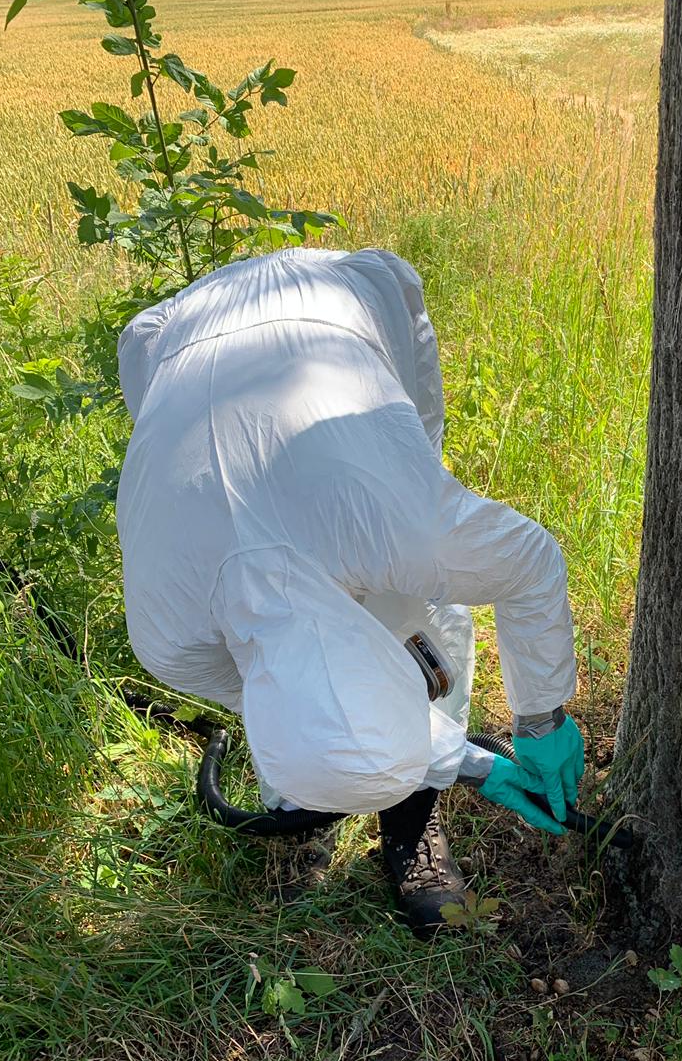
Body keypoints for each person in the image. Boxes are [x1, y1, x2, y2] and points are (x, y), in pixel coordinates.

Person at [116, 247, 585, 935]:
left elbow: (531, 565)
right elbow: (288, 699)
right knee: (318, 696)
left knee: (424, 618)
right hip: (172, 339)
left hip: (338, 300)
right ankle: (305, 797)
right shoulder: (170, 636)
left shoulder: (406, 528)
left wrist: (540, 720)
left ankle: (410, 827)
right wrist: (477, 765)